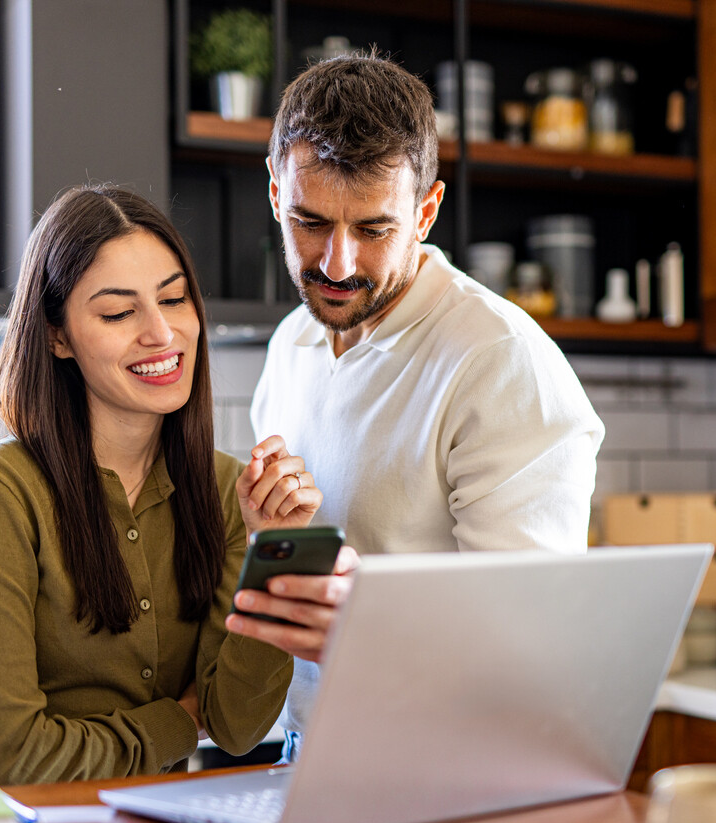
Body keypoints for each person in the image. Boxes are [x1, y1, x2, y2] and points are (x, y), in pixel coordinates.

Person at [226, 54, 605, 761]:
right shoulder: (292, 344)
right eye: (309, 221)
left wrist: (372, 628)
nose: (336, 265)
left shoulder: (497, 361)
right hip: (307, 747)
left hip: (450, 760)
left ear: (425, 212)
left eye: (373, 230)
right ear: (276, 193)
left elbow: (536, 651)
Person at [0, 184, 328, 784]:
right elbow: (6, 758)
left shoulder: (230, 490)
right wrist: (175, 721)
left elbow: (236, 724)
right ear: (57, 336)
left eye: (173, 300)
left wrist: (270, 553)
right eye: (119, 312)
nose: (161, 334)